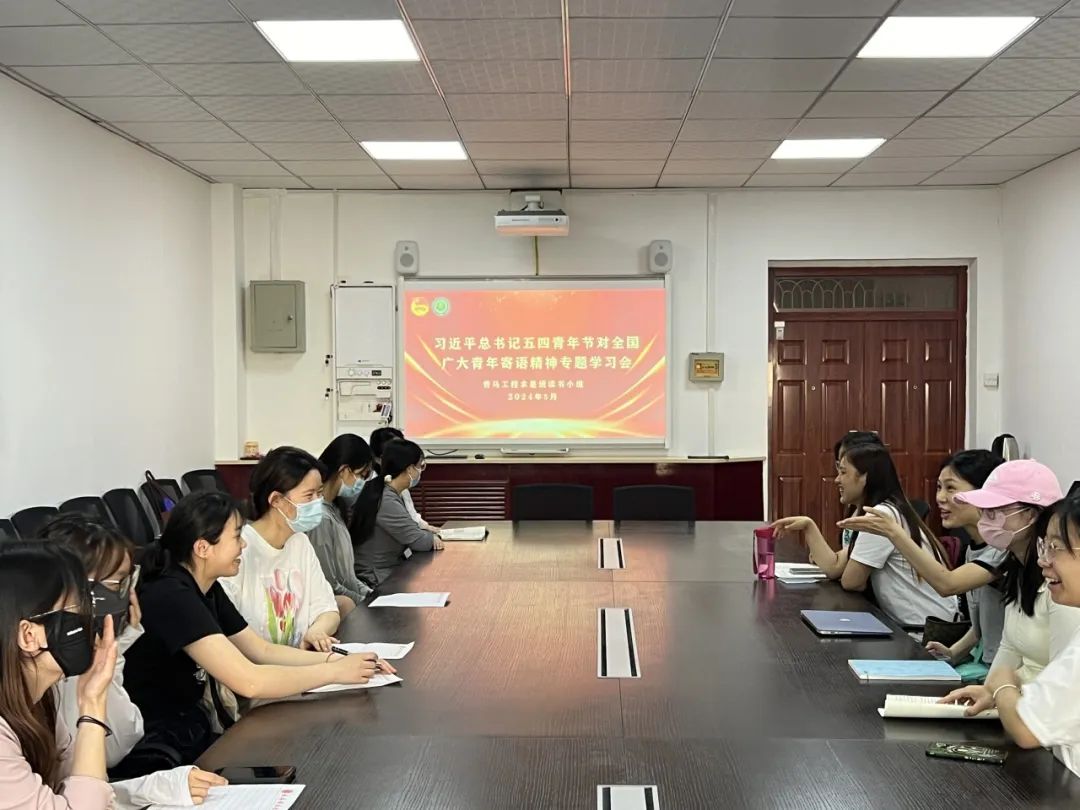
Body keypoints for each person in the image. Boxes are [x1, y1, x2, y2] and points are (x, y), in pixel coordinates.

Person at [124, 492, 393, 767]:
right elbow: (250, 681)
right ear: (203, 548)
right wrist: (334, 672)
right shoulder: (171, 596)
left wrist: (337, 659)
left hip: (188, 728)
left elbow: (261, 649)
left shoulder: (205, 586)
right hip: (159, 744)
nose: (243, 545)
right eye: (236, 537)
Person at [0, 540, 227, 809]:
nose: (92, 618)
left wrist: (154, 788)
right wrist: (92, 706)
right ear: (29, 636)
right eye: (78, 610)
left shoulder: (44, 698)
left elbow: (75, 796)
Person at [941, 496, 1080, 777]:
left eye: (1056, 547)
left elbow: (1026, 729)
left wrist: (1004, 685)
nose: (1043, 560)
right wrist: (995, 692)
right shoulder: (1018, 577)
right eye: (1044, 546)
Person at [839, 450, 1007, 675]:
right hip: (982, 663)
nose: (940, 498)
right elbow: (980, 627)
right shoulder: (975, 548)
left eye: (951, 488)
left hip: (999, 673)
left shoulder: (1001, 550)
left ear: (985, 493)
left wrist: (893, 533)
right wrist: (953, 652)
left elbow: (948, 584)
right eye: (939, 487)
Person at [930, 461, 1078, 704]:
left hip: (1039, 712)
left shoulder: (1062, 588)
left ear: (1031, 515)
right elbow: (1010, 647)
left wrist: (1001, 696)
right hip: (1017, 705)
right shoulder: (1017, 572)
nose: (985, 520)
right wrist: (987, 693)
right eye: (984, 511)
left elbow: (1063, 685)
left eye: (995, 511)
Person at [774, 442, 957, 627]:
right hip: (924, 623)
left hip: (922, 630)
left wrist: (848, 570)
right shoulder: (882, 509)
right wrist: (809, 526)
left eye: (843, 472)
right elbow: (835, 566)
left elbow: (851, 581)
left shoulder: (881, 516)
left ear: (865, 477)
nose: (837, 480)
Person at [222, 447, 342, 652]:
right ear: (277, 500)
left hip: (301, 661)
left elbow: (328, 610)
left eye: (320, 493)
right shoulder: (240, 548)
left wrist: (317, 631)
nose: (318, 503)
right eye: (309, 495)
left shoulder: (300, 542)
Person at [352, 438, 444, 586]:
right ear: (410, 469)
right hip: (376, 577)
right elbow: (419, 541)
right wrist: (432, 537)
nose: (421, 472)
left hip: (387, 569)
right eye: (420, 466)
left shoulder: (385, 490)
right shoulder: (386, 500)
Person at [308, 434, 376, 616]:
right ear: (344, 470)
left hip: (350, 601)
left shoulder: (334, 508)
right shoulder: (320, 518)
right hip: (338, 608)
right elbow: (329, 584)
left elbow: (347, 576)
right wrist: (364, 602)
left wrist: (370, 594)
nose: (361, 483)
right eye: (361, 475)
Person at [370, 427, 439, 533]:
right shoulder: (378, 491)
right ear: (378, 459)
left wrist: (427, 528)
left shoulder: (401, 482)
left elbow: (412, 517)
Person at [833, 431, 886, 550]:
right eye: (839, 466)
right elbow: (843, 557)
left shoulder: (877, 517)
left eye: (844, 470)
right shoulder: (856, 507)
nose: (837, 478)